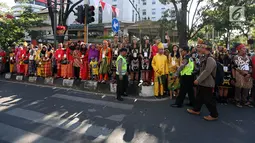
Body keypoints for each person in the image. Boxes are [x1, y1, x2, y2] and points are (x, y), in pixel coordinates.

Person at [187, 40, 218, 121]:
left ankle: (214, 115)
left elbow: (207, 71)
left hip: (208, 83)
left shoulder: (210, 59)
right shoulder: (204, 57)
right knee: (199, 97)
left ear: (205, 48)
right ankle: (196, 110)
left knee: (208, 100)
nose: (199, 47)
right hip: (203, 82)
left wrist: (198, 80)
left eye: (201, 46)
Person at [232, 43, 253, 108]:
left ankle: (245, 101)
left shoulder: (248, 57)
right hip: (239, 74)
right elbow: (235, 67)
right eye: (243, 48)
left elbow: (251, 66)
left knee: (246, 88)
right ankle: (237, 100)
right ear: (239, 50)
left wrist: (249, 74)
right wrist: (244, 74)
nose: (245, 49)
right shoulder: (235, 57)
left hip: (248, 75)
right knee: (238, 88)